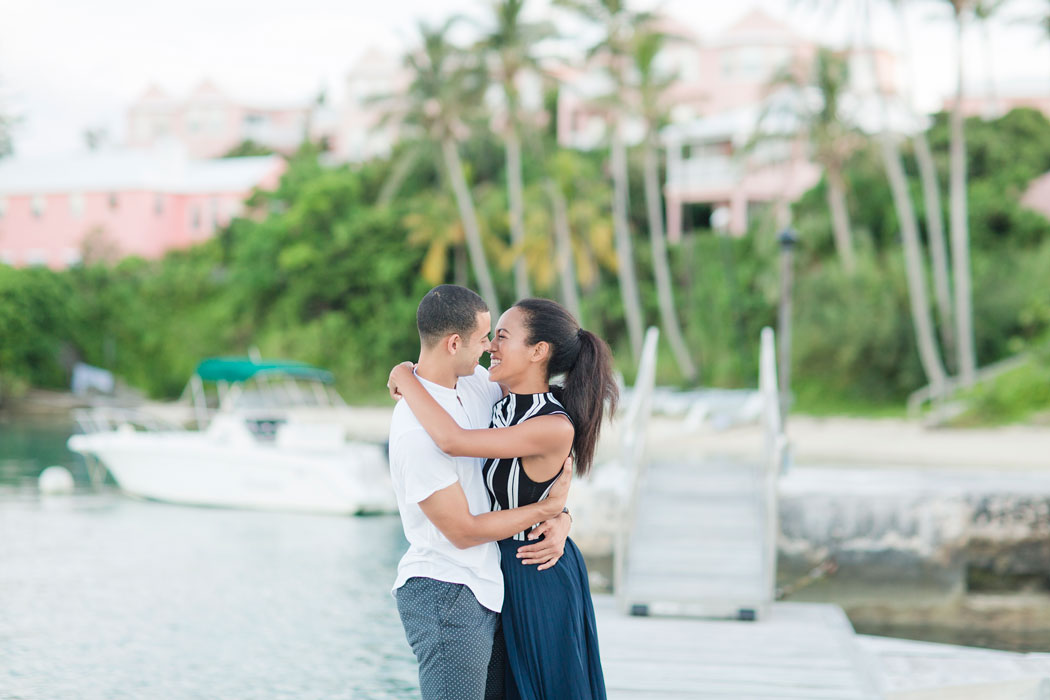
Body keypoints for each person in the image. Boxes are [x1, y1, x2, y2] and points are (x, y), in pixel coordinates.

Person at [389, 297, 616, 700]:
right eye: (487, 337)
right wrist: (407, 372)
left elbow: (458, 442)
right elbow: (453, 431)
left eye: (502, 336)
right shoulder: (490, 396)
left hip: (535, 569)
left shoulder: (532, 413)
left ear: (538, 351)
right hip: (484, 576)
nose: (491, 345)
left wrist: (558, 516)